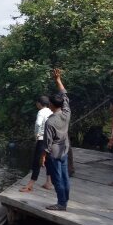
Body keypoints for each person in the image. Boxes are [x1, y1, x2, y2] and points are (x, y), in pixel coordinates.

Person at [40, 68, 72, 211]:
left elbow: (47, 143)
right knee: (65, 176)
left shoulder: (50, 121)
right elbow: (64, 95)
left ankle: (61, 203)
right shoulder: (66, 112)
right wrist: (58, 80)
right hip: (64, 149)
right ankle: (65, 199)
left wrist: (43, 157)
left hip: (54, 152)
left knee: (57, 178)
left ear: (52, 105)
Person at [20, 96, 53, 192]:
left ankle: (30, 185)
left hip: (42, 139)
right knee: (47, 161)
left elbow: (38, 124)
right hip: (50, 140)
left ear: (39, 103)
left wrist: (37, 134)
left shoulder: (41, 112)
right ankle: (48, 182)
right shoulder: (51, 111)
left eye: (37, 103)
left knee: (37, 162)